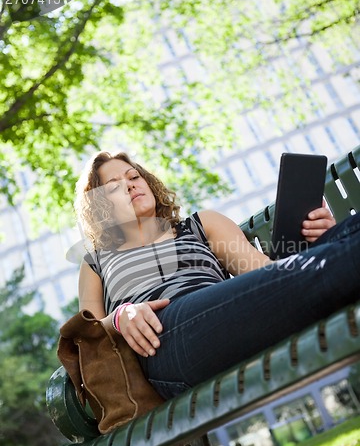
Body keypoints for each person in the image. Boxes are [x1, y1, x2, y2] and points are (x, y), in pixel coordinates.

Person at [76, 151, 360, 400]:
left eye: (133, 176)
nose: (130, 185)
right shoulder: (96, 262)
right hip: (162, 347)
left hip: (225, 322)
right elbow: (88, 337)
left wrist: (324, 240)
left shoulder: (201, 225)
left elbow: (266, 274)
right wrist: (119, 317)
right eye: (114, 186)